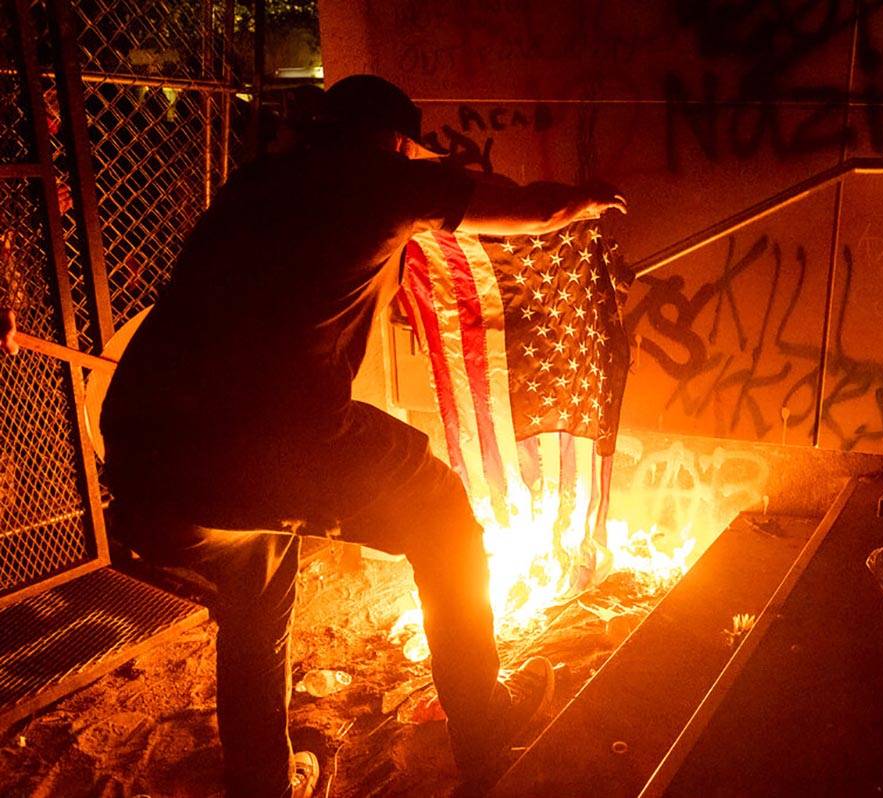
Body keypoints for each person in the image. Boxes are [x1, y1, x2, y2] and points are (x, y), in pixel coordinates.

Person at [99, 74, 627, 798]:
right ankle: (484, 730)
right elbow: (535, 213)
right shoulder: (388, 180)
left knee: (256, 589)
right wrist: (592, 197)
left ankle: (261, 782)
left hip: (147, 454)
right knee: (443, 521)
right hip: (275, 439)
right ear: (398, 140)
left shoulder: (257, 182)